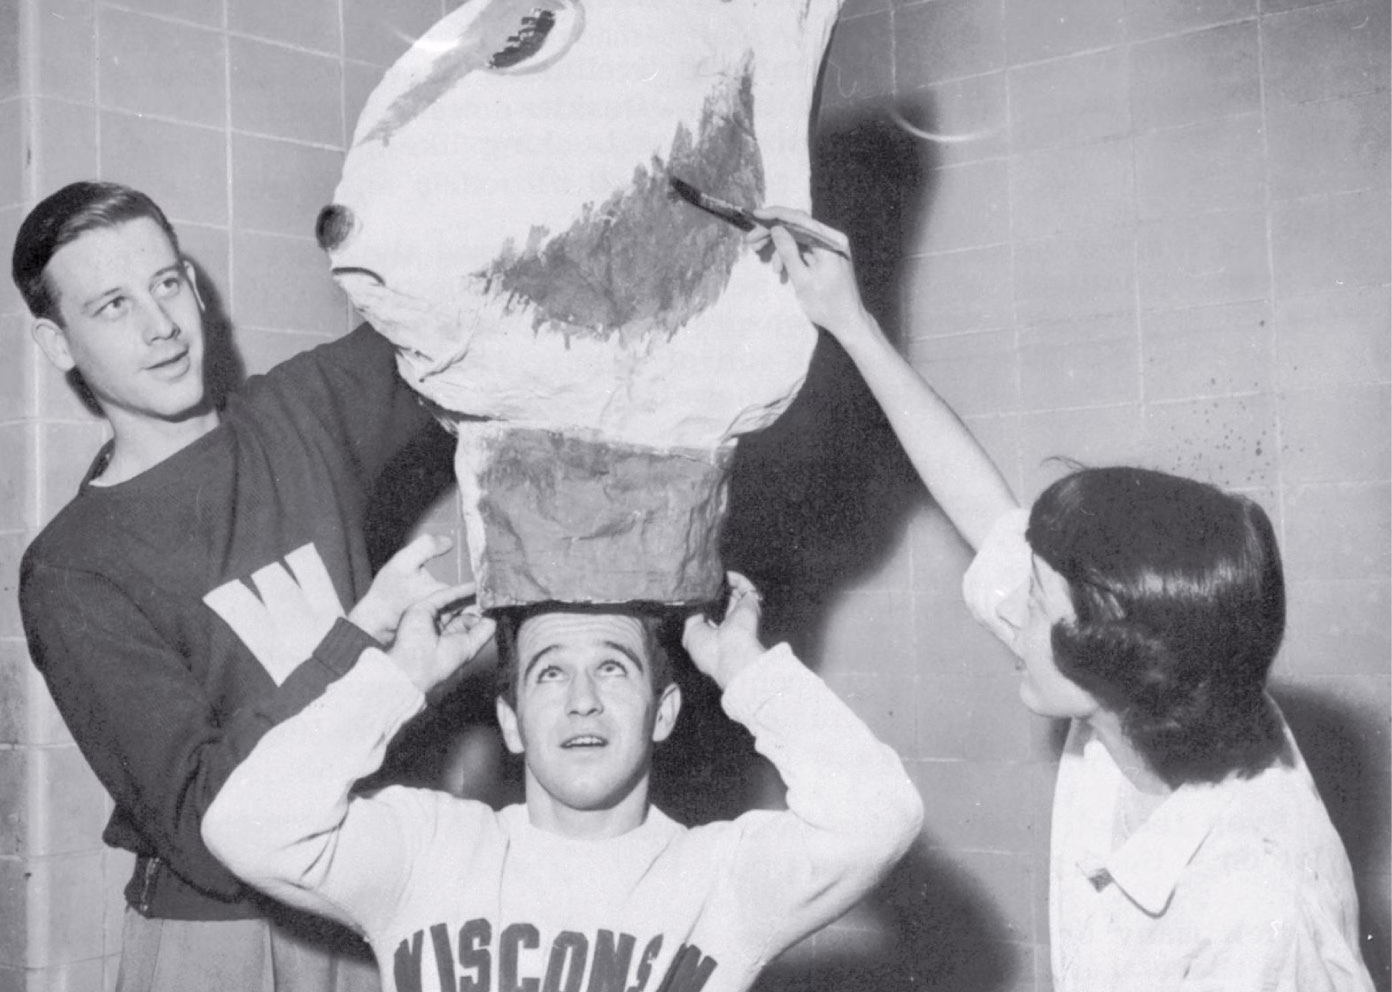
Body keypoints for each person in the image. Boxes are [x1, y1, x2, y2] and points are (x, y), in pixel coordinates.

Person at [754, 209, 1376, 991]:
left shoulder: (1257, 903)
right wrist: (850, 320)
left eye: (1038, 599)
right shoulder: (1160, 687)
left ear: (1115, 657)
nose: (1014, 609)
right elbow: (987, 518)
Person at [14, 180, 455, 991]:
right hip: (223, 936)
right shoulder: (73, 569)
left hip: (371, 902)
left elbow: (455, 310)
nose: (161, 327)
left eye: (167, 283)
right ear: (58, 344)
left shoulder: (299, 412)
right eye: (112, 306)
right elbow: (203, 826)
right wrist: (367, 655)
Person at [200, 566, 925, 992]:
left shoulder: (719, 877)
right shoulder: (430, 848)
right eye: (551, 673)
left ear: (663, 712)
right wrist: (399, 676)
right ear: (511, 721)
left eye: (613, 666)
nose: (582, 698)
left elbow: (880, 816)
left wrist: (745, 667)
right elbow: (245, 826)